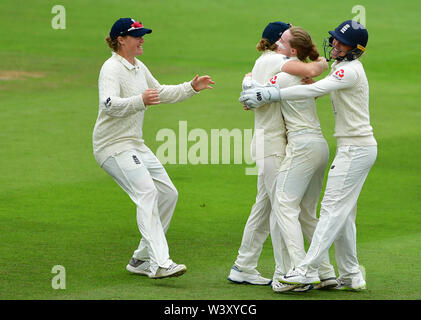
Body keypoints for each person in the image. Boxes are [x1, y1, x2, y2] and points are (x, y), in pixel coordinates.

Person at [240, 20, 376, 291]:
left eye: (341, 41)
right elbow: (314, 84)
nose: (335, 43)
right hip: (332, 146)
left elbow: (312, 89)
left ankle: (302, 270)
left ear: (292, 51)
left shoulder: (345, 70)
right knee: (340, 213)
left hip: (343, 148)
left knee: (304, 207)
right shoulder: (338, 67)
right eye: (334, 39)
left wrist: (261, 88)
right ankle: (345, 273)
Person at [93, 18, 214, 279]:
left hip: (135, 143)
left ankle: (141, 258)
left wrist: (190, 88)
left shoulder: (138, 67)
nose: (142, 39)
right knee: (147, 193)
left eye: (142, 34)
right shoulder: (111, 68)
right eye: (136, 35)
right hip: (111, 145)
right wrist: (140, 100)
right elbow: (108, 104)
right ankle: (160, 263)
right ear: (121, 40)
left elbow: (158, 91)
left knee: (168, 193)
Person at [228, 22, 329, 289]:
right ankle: (287, 273)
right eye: (284, 37)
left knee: (266, 206)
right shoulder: (279, 60)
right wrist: (320, 62)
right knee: (282, 209)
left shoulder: (265, 61)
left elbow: (256, 84)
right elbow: (310, 70)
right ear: (278, 43)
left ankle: (243, 266)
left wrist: (249, 84)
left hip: (269, 142)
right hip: (273, 144)